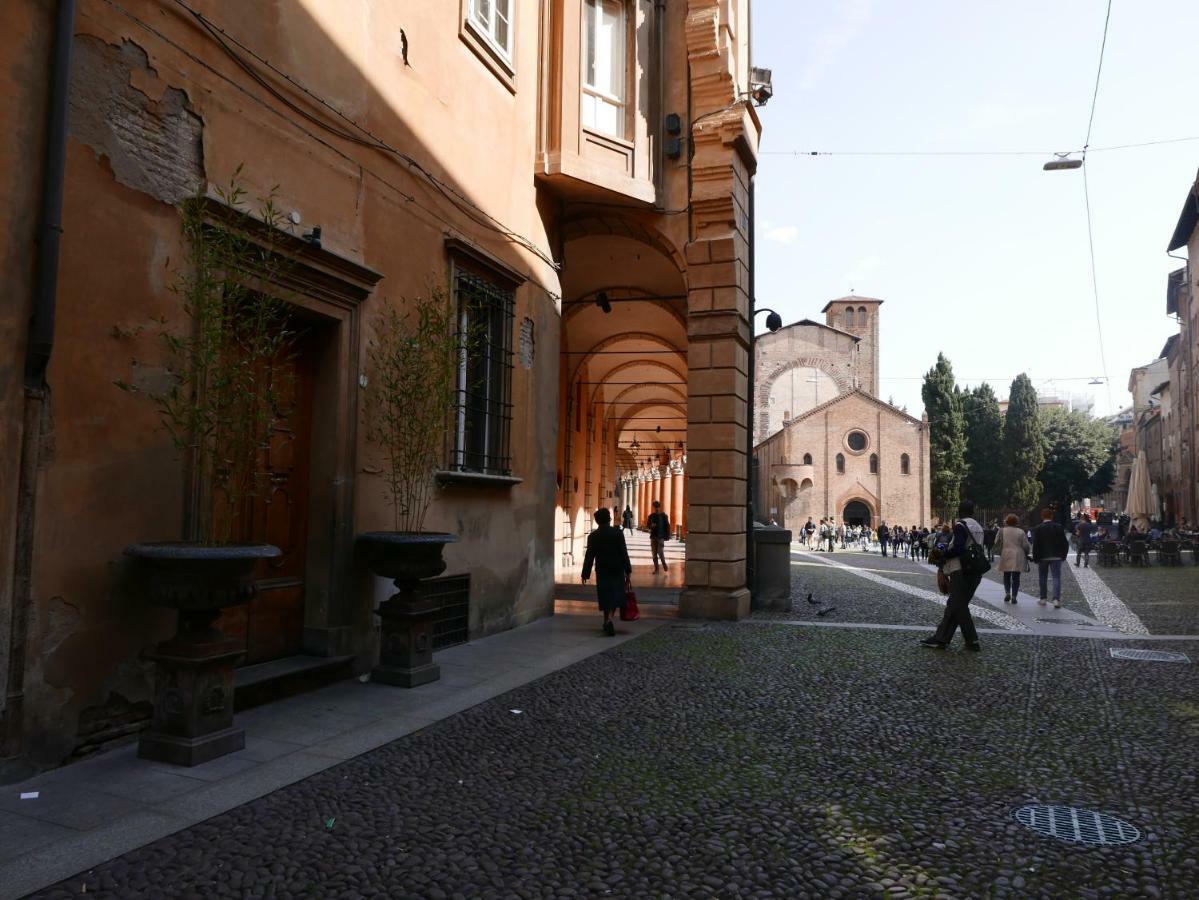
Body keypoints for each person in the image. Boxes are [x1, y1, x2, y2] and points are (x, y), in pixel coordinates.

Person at [922, 501, 986, 651]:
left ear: (960, 512)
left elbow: (958, 548)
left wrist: (942, 555)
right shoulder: (978, 527)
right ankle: (941, 639)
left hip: (961, 570)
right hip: (975, 570)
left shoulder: (960, 525)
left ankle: (972, 640)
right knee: (954, 605)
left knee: (959, 605)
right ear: (973, 512)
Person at [581, 508, 633, 636]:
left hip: (602, 569)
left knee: (605, 595)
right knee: (615, 594)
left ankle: (606, 620)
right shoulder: (617, 533)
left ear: (597, 521)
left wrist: (585, 573)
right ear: (609, 519)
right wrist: (628, 570)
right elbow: (623, 552)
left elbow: (589, 556)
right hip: (617, 568)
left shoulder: (593, 536)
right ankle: (609, 619)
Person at [1032, 508, 1069, 609]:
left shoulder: (1038, 528)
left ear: (1042, 516)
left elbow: (1036, 545)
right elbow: (1065, 543)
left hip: (1042, 557)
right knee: (1056, 577)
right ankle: (1056, 599)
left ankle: (1043, 598)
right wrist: (1064, 555)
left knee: (1042, 577)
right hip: (1056, 556)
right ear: (1052, 516)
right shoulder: (1058, 527)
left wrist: (1035, 557)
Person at [993, 513, 1031, 604]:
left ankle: (1007, 592)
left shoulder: (1002, 530)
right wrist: (1027, 552)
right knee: (1016, 577)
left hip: (1006, 553)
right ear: (1016, 522)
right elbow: (1025, 545)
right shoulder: (1020, 531)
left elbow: (996, 542)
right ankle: (1014, 596)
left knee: (1006, 575)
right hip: (1018, 555)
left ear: (1007, 521)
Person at [646, 500, 671, 573]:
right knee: (654, 554)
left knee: (660, 553)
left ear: (659, 507)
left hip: (660, 537)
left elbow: (667, 526)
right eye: (655, 507)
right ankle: (656, 569)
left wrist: (667, 536)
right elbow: (647, 525)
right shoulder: (651, 516)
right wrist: (651, 526)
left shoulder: (664, 516)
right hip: (653, 536)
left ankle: (664, 563)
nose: (656, 508)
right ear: (653, 507)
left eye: (657, 507)